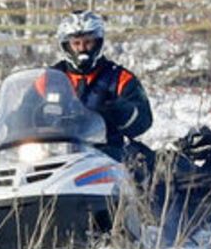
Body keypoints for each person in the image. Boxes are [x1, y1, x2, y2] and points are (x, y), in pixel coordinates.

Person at [51, 11, 152, 163]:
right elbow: (23, 110)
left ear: (98, 43)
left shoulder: (120, 78)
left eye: (88, 42)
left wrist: (119, 111)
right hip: (56, 150)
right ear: (67, 46)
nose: (82, 49)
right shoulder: (49, 78)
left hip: (106, 152)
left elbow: (144, 119)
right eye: (76, 43)